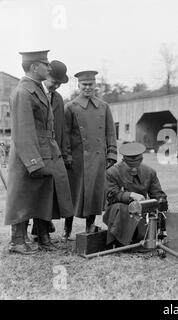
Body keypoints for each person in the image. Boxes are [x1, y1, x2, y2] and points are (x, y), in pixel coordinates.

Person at [5, 50, 73, 254]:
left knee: (43, 195)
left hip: (44, 150)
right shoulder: (23, 92)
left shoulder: (37, 90)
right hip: (29, 154)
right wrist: (33, 162)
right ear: (34, 67)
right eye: (46, 65)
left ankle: (43, 237)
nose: (49, 68)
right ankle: (17, 241)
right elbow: (23, 132)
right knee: (22, 197)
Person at [63, 70, 117, 237]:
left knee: (94, 193)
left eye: (90, 84)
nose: (87, 87)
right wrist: (67, 155)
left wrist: (111, 154)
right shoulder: (70, 107)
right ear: (78, 86)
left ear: (95, 85)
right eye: (84, 85)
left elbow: (110, 133)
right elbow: (64, 134)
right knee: (73, 195)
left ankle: (90, 226)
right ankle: (67, 228)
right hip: (77, 160)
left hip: (97, 158)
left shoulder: (104, 106)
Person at [31, 60, 71, 241]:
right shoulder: (33, 94)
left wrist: (62, 152)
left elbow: (61, 128)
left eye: (59, 84)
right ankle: (42, 232)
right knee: (40, 191)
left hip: (54, 150)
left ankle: (43, 227)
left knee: (55, 190)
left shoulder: (58, 98)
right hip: (37, 149)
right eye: (54, 81)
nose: (56, 86)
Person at [103, 142, 168, 246]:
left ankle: (148, 237)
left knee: (159, 209)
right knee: (120, 208)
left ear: (141, 160)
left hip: (143, 210)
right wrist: (130, 195)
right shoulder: (112, 173)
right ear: (123, 160)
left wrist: (161, 205)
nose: (133, 170)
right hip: (118, 211)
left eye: (136, 166)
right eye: (129, 167)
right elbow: (111, 195)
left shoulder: (150, 172)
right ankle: (120, 242)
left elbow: (158, 195)